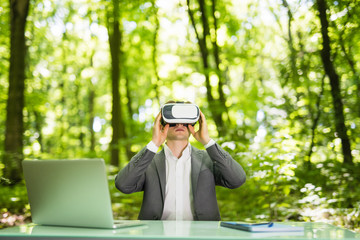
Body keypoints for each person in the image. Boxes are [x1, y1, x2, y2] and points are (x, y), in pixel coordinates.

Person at [115, 102, 246, 221]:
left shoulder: (209, 159)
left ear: (194, 123)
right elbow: (123, 184)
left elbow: (237, 179)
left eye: (184, 121)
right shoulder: (148, 161)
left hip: (202, 236)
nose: (179, 125)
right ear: (161, 123)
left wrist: (207, 141)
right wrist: (154, 143)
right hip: (156, 235)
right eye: (172, 121)